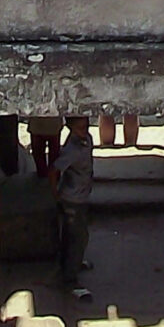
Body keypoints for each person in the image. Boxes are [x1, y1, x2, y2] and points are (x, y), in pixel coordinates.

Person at [51, 117, 97, 298]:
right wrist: (55, 193)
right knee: (77, 238)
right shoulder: (72, 150)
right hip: (72, 199)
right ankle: (70, 280)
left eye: (85, 125)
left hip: (80, 195)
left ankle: (73, 264)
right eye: (79, 128)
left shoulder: (86, 140)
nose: (84, 130)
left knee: (74, 236)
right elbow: (53, 170)